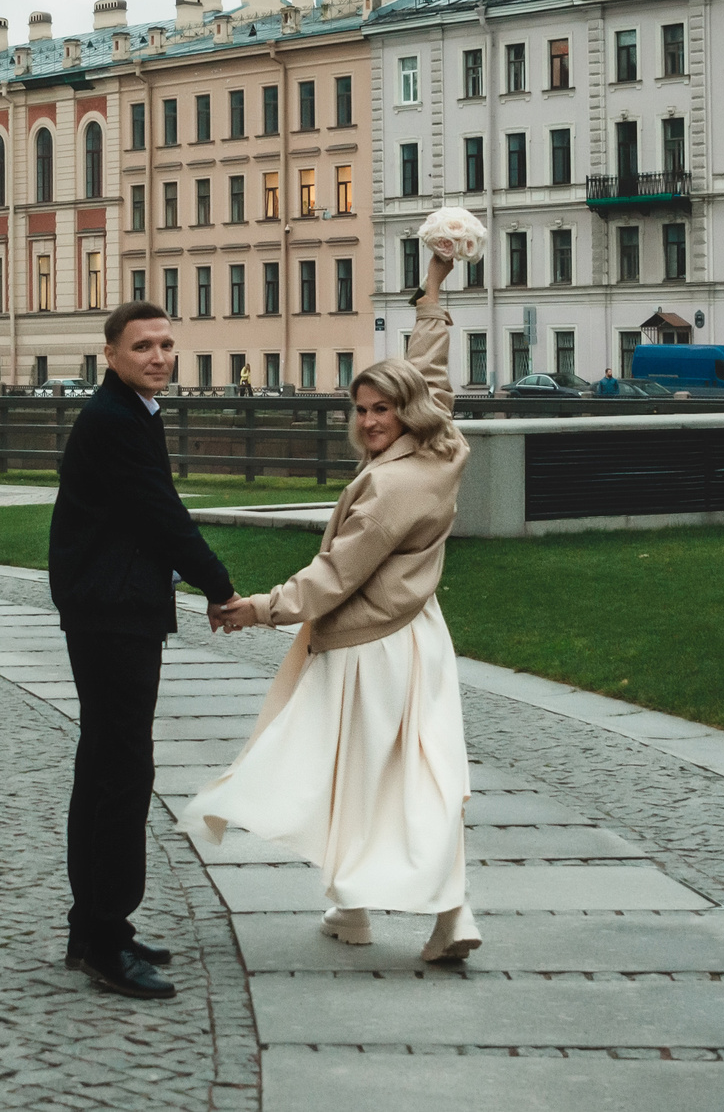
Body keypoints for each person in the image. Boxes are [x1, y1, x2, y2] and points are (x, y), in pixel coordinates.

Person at [183, 250, 481, 964]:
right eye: (362, 408)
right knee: (416, 769)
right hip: (417, 633)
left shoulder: (389, 489)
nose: (370, 420)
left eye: (382, 409)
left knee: (365, 771)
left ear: (404, 413)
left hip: (367, 645)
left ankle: (429, 909)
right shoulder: (441, 448)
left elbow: (333, 575)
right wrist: (433, 291)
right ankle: (369, 907)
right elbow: (431, 373)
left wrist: (256, 608)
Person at [49, 299, 238, 1000]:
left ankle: (91, 924)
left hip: (107, 606)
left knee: (102, 762)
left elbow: (148, 512)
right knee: (124, 769)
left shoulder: (128, 413)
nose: (158, 356)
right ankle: (105, 936)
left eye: (165, 343)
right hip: (113, 612)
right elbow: (163, 514)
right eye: (142, 346)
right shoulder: (116, 420)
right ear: (111, 354)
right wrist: (219, 586)